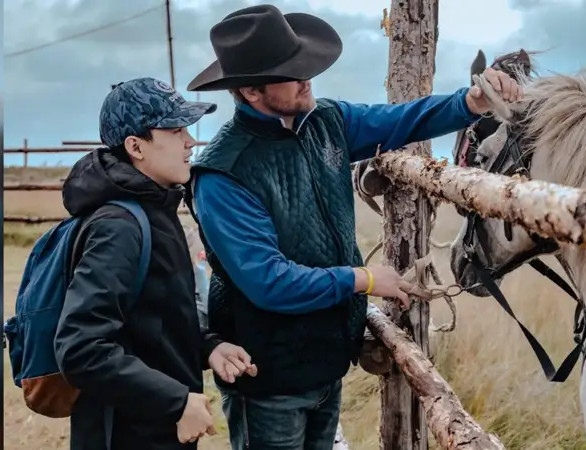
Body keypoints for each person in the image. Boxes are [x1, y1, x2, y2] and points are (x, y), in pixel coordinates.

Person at [185, 5, 523, 450]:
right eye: (291, 72)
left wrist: (469, 103)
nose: (308, 77)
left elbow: (403, 119)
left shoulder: (326, 121)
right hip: (268, 375)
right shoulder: (224, 173)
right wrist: (363, 279)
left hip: (326, 362)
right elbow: (266, 281)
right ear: (250, 90)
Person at [53, 77, 256, 450]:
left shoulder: (155, 211)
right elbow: (80, 348)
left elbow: (153, 324)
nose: (190, 142)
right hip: (126, 435)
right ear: (135, 146)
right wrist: (175, 401)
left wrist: (208, 346)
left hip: (158, 429)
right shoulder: (119, 228)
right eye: (177, 130)